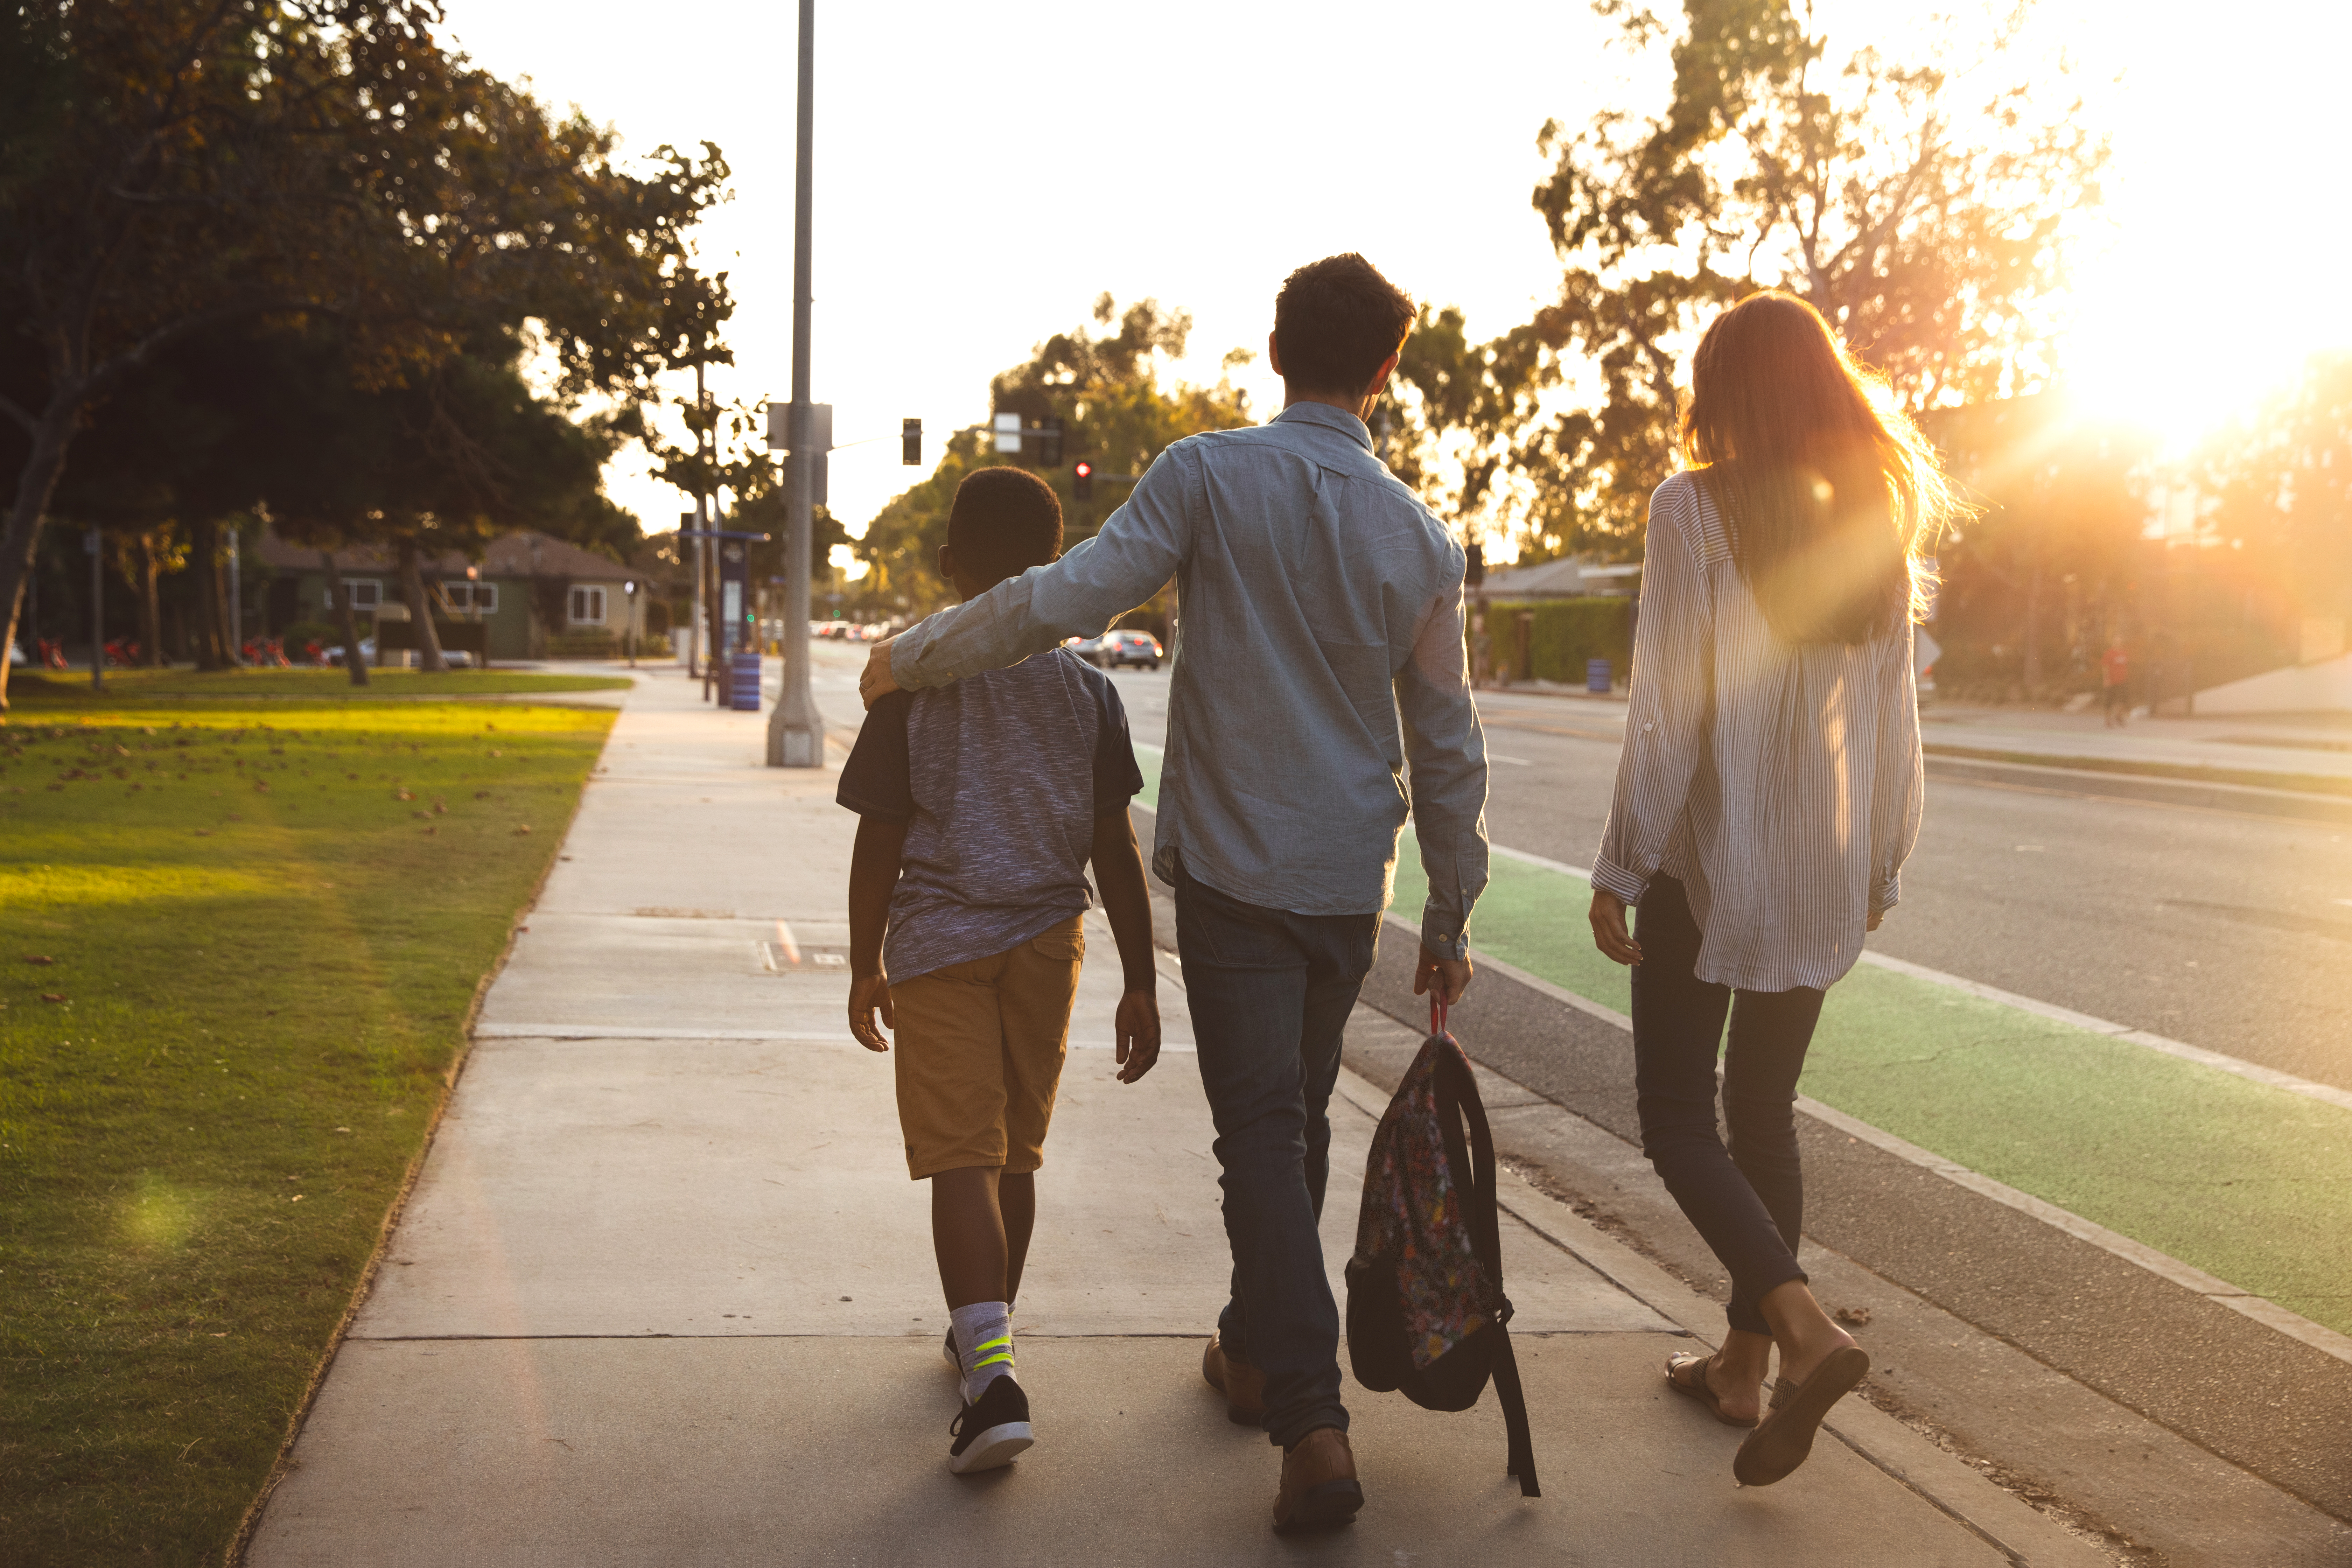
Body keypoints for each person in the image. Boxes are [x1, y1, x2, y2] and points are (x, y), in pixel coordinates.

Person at [860, 253, 1488, 1532]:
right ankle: (1254, 1351)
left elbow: (1059, 601)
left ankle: (1307, 1420)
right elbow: (1446, 741)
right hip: (1343, 878)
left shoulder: (1206, 473)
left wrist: (909, 659)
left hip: (1232, 867)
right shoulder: (1422, 538)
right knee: (1292, 1128)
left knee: (1261, 1136)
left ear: (1270, 350)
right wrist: (1447, 908)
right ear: (1384, 373)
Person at [1584, 290, 1941, 1488]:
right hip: (1823, 867)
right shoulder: (1877, 516)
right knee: (1766, 1115)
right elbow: (1897, 713)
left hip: (1714, 860)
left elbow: (1669, 706)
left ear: (1726, 393)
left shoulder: (1694, 507)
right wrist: (1882, 859)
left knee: (1681, 1119)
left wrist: (1624, 863)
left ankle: (1801, 1331)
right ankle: (1741, 1371)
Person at [838, 465, 1163, 1476]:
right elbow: (1117, 853)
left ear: (948, 568)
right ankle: (989, 1335)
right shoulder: (1089, 695)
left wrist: (861, 964)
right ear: (1062, 574)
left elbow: (879, 840)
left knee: (961, 1160)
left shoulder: (912, 683)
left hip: (940, 945)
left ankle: (992, 1377)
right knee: (1013, 1156)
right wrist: (1143, 981)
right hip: (1047, 949)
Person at [2101, 637, 2132, 727]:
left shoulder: (2124, 653)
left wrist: (2126, 678)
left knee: (2123, 700)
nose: (2119, 643)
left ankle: (2119, 717)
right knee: (2110, 702)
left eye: (2120, 641)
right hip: (2112, 681)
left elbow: (2125, 666)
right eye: (2117, 641)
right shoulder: (2109, 653)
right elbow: (2105, 667)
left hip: (2122, 681)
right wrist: (2106, 679)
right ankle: (2108, 720)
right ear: (2114, 642)